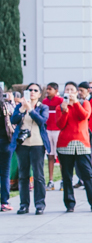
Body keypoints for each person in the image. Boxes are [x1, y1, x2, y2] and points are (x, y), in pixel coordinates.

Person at [57, 82, 92, 213]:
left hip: (82, 144)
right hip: (65, 145)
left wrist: (75, 103)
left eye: (72, 89)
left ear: (77, 92)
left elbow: (84, 116)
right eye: (67, 90)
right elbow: (60, 125)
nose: (70, 92)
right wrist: (65, 110)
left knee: (88, 175)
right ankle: (70, 204)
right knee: (67, 176)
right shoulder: (60, 107)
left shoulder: (85, 103)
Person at [10, 84, 50, 215]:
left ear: (39, 94)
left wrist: (31, 110)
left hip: (37, 144)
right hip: (23, 145)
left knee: (38, 175)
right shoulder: (20, 106)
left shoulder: (43, 107)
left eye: (35, 90)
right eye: (29, 90)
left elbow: (42, 121)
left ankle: (39, 204)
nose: (32, 92)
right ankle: (24, 205)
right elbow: (13, 119)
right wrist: (22, 109)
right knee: (23, 176)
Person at [42, 83, 63, 190]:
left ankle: (63, 180)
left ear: (56, 90)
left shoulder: (60, 101)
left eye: (50, 89)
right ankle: (50, 181)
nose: (48, 91)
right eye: (47, 89)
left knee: (60, 156)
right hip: (48, 130)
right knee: (50, 155)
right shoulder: (44, 101)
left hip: (58, 130)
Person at [0, 92, 14, 212]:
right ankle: (4, 202)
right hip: (5, 141)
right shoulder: (6, 106)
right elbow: (15, 116)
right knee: (5, 172)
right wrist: (11, 101)